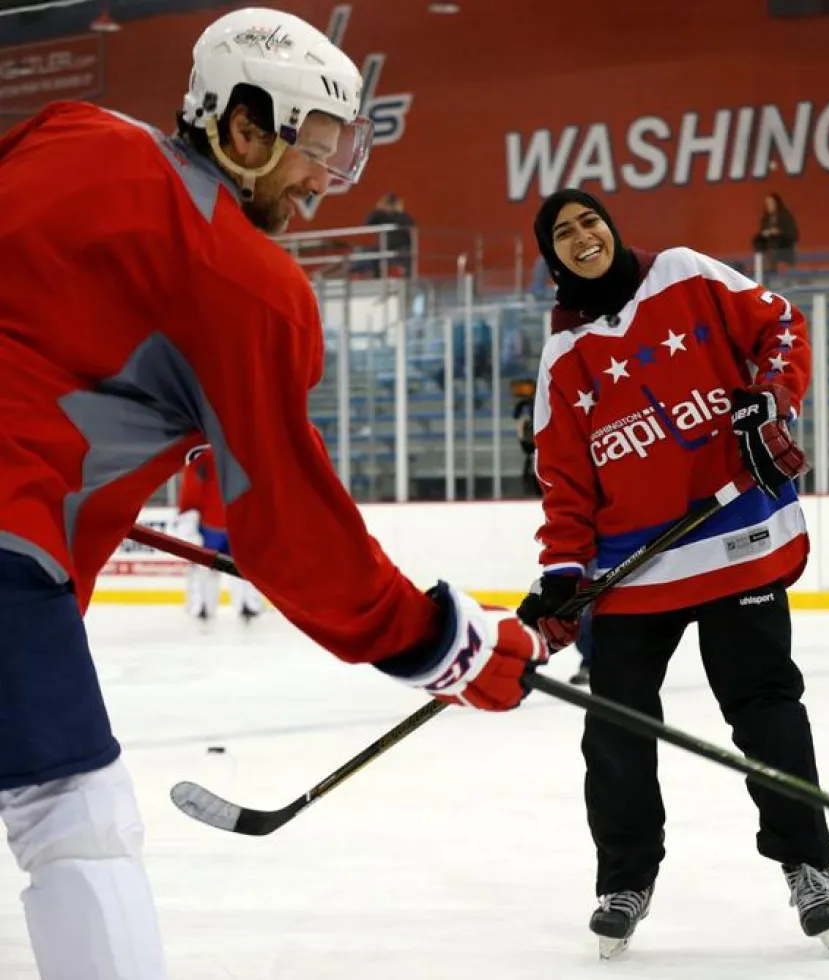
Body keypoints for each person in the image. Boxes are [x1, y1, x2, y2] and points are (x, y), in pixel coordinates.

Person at [0, 9, 546, 979]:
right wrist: (439, 641)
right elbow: (287, 527)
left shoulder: (69, 129)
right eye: (316, 147)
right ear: (243, 129)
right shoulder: (247, 279)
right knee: (73, 811)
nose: (323, 181)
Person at [514, 188, 829, 959]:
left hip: (734, 539)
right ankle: (624, 880)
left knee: (767, 710)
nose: (582, 236)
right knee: (618, 726)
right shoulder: (564, 351)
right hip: (634, 569)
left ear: (610, 225)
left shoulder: (686, 276)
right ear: (551, 255)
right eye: (563, 233)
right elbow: (564, 476)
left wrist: (773, 404)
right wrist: (563, 572)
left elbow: (783, 325)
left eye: (589, 220)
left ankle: (808, 866)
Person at [174, 447, 264, 622]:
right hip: (225, 525)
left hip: (217, 526)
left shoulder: (204, 460)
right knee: (237, 569)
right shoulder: (243, 458)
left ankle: (206, 606)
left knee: (218, 569)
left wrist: (188, 517)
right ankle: (243, 605)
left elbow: (190, 494)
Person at [751, 192, 798, 275]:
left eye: (771, 203)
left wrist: (778, 232)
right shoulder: (766, 218)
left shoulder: (785, 215)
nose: (769, 205)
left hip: (784, 244)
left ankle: (773, 269)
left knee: (773, 242)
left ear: (777, 203)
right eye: (767, 203)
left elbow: (792, 234)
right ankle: (760, 267)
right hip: (768, 244)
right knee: (758, 240)